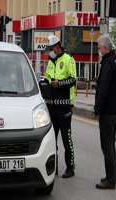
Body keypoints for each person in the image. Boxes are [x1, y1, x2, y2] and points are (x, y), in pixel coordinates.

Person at [43, 34, 77, 178]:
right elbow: (46, 78)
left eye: (51, 49)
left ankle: (70, 167)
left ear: (57, 47)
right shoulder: (50, 61)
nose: (50, 51)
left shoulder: (68, 60)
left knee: (66, 139)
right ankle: (54, 166)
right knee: (51, 140)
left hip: (64, 107)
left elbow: (73, 79)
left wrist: (59, 84)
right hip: (51, 106)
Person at [94, 34, 116, 189]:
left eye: (99, 48)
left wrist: (97, 109)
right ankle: (112, 176)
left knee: (107, 146)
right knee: (111, 145)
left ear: (105, 48)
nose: (99, 50)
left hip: (107, 113)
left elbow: (103, 89)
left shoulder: (107, 63)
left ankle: (110, 180)